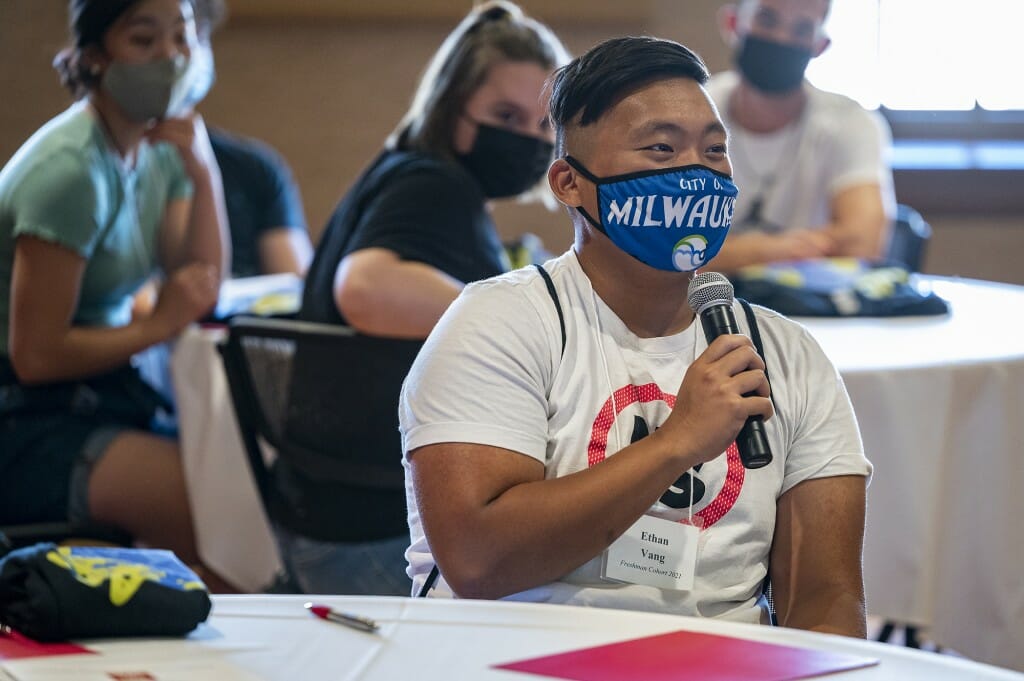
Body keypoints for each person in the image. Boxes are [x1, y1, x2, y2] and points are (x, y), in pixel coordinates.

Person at [402, 36, 871, 637]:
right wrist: (676, 443)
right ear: (570, 183)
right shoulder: (499, 323)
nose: (696, 173)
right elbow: (477, 562)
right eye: (661, 149)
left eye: (714, 150)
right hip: (512, 657)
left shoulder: (789, 356)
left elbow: (826, 597)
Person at [284, 1, 569, 596]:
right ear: (451, 108)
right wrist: (523, 322)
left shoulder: (411, 171)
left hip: (334, 510)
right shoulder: (432, 185)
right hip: (368, 530)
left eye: (543, 126)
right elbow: (365, 287)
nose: (526, 138)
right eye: (505, 115)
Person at [0, 0, 231, 588]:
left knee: (233, 499)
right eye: (143, 40)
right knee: (219, 527)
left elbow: (199, 277)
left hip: (94, 394)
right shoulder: (71, 172)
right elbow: (35, 356)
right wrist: (159, 324)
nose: (171, 57)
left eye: (181, 37)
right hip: (25, 418)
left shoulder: (157, 147)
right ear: (96, 59)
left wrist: (202, 167)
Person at [705, 0, 895, 272]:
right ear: (732, 23)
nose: (781, 38)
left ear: (820, 46)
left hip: (806, 310)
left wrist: (724, 254)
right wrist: (772, 249)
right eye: (767, 20)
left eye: (802, 29)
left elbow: (863, 244)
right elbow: (662, 249)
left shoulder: (850, 123)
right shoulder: (691, 114)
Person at [190, 0, 313, 278]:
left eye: (192, 37)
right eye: (145, 39)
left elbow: (293, 280)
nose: (176, 54)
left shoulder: (256, 169)